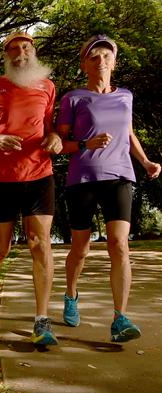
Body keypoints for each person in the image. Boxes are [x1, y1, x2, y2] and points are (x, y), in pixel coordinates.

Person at [57, 34, 161, 341]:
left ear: (113, 62)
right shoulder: (72, 98)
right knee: (81, 247)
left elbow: (128, 135)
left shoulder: (125, 96)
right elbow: (59, 143)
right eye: (94, 57)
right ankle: (71, 294)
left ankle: (120, 318)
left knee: (119, 244)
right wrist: (84, 144)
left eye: (106, 56)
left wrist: (146, 163)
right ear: (84, 64)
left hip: (119, 175)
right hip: (83, 178)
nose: (101, 61)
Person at [0, 31, 62, 345]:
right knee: (1, 249)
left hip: (39, 175)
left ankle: (42, 320)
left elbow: (51, 130)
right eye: (14, 49)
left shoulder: (47, 87)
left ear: (33, 52)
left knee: (40, 244)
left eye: (26, 47)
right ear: (6, 56)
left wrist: (55, 140)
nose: (20, 53)